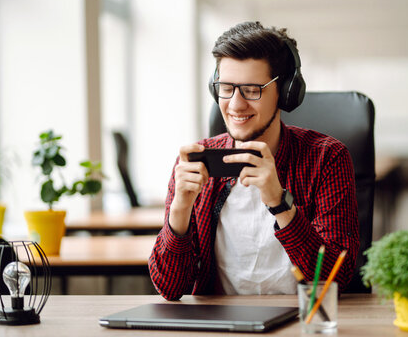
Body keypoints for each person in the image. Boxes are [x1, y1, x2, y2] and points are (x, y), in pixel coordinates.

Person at [149, 21, 359, 300]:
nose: (235, 104)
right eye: (226, 88)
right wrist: (179, 212)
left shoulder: (326, 158)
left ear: (285, 91)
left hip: (301, 321)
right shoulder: (194, 162)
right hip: (222, 327)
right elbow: (170, 288)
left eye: (251, 89)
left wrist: (279, 202)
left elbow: (336, 277)